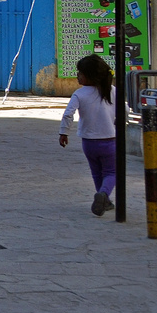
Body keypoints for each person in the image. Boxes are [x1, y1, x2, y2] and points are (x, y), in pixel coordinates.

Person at [59, 54, 118, 215]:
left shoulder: (79, 94)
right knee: (112, 172)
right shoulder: (113, 91)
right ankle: (104, 194)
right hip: (110, 141)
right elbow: (124, 112)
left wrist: (64, 132)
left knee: (96, 172)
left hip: (89, 143)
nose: (78, 76)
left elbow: (68, 115)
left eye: (80, 73)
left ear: (90, 76)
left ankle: (103, 198)